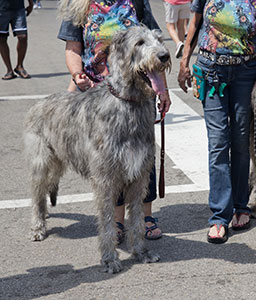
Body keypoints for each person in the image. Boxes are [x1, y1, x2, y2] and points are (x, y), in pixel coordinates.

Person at [57, 0, 171, 241]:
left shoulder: (136, 2)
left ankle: (145, 217)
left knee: (142, 156)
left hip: (138, 89)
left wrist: (163, 89)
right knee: (110, 163)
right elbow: (72, 49)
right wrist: (77, 75)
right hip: (97, 96)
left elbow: (155, 45)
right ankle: (116, 221)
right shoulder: (78, 5)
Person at [178, 0, 256, 243]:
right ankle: (219, 216)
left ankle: (240, 205)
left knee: (239, 141)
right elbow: (195, 24)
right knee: (218, 143)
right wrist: (184, 63)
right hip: (210, 70)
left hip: (246, 73)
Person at [0, 0, 33, 80]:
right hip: (1, 9)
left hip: (18, 8)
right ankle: (9, 70)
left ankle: (19, 66)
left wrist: (31, 4)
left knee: (23, 36)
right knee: (1, 38)